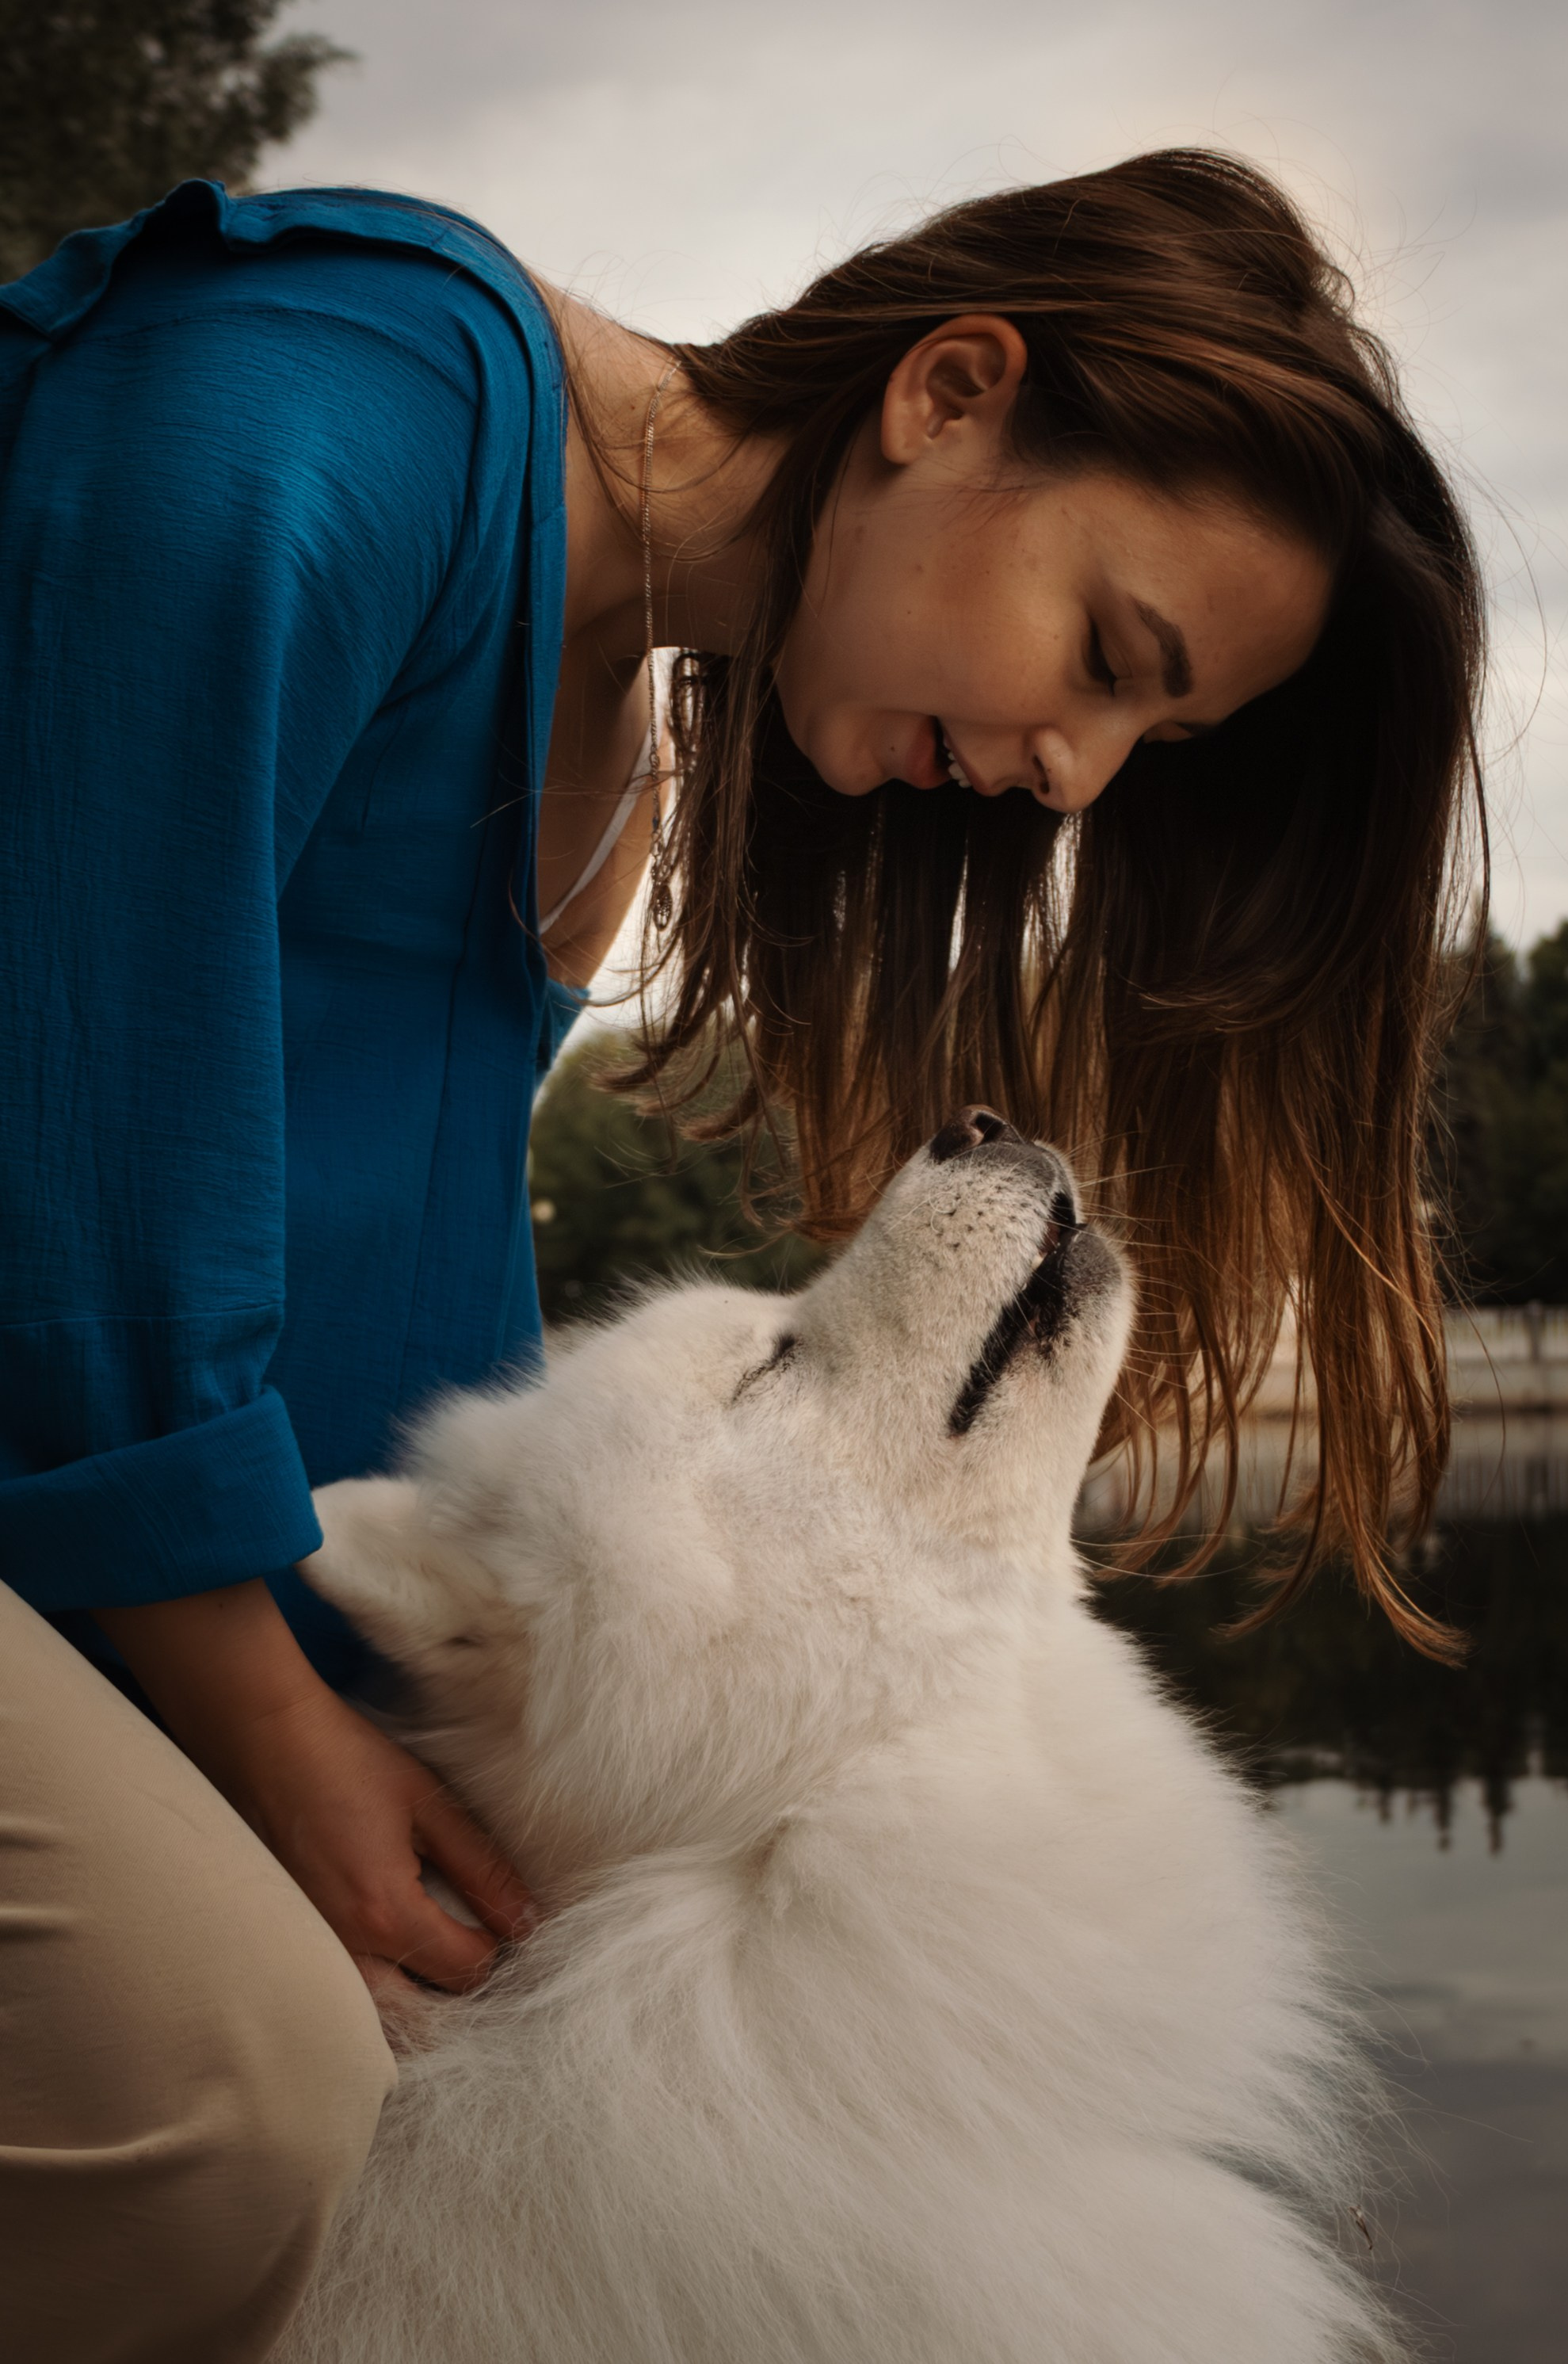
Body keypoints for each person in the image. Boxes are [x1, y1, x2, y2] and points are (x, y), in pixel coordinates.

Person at [0, 150, 1483, 2361]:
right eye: (1110, 653)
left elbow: (406, 1317)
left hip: (157, 1559)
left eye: (1147, 740)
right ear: (952, 395)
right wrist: (271, 1720)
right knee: (244, 2090)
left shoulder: (617, 707)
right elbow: (77, 1078)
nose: (1076, 781)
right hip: (114, 1536)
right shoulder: (329, 382)